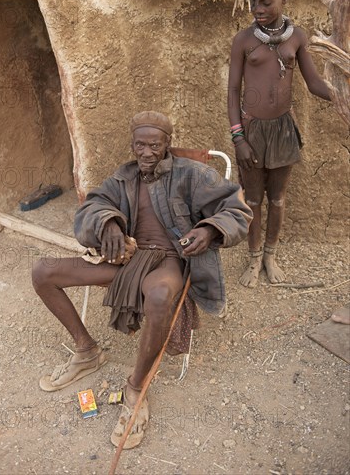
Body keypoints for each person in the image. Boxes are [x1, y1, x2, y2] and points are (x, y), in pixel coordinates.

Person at [32, 110, 252, 449]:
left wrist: (209, 229)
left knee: (161, 296)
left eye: (154, 145)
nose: (146, 153)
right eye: (140, 145)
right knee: (43, 271)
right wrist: (108, 224)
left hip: (168, 260)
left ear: (167, 144)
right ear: (132, 145)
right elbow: (92, 206)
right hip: (127, 258)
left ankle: (136, 388)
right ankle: (87, 350)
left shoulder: (192, 174)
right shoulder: (123, 177)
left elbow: (237, 209)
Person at [227, 0, 332, 288]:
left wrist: (341, 96)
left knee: (278, 199)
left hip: (284, 129)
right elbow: (232, 90)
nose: (258, 9)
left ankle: (270, 256)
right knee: (254, 200)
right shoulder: (243, 40)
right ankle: (254, 257)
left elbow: (314, 83)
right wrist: (239, 138)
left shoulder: (297, 37)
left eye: (266, 2)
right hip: (252, 131)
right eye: (253, 3)